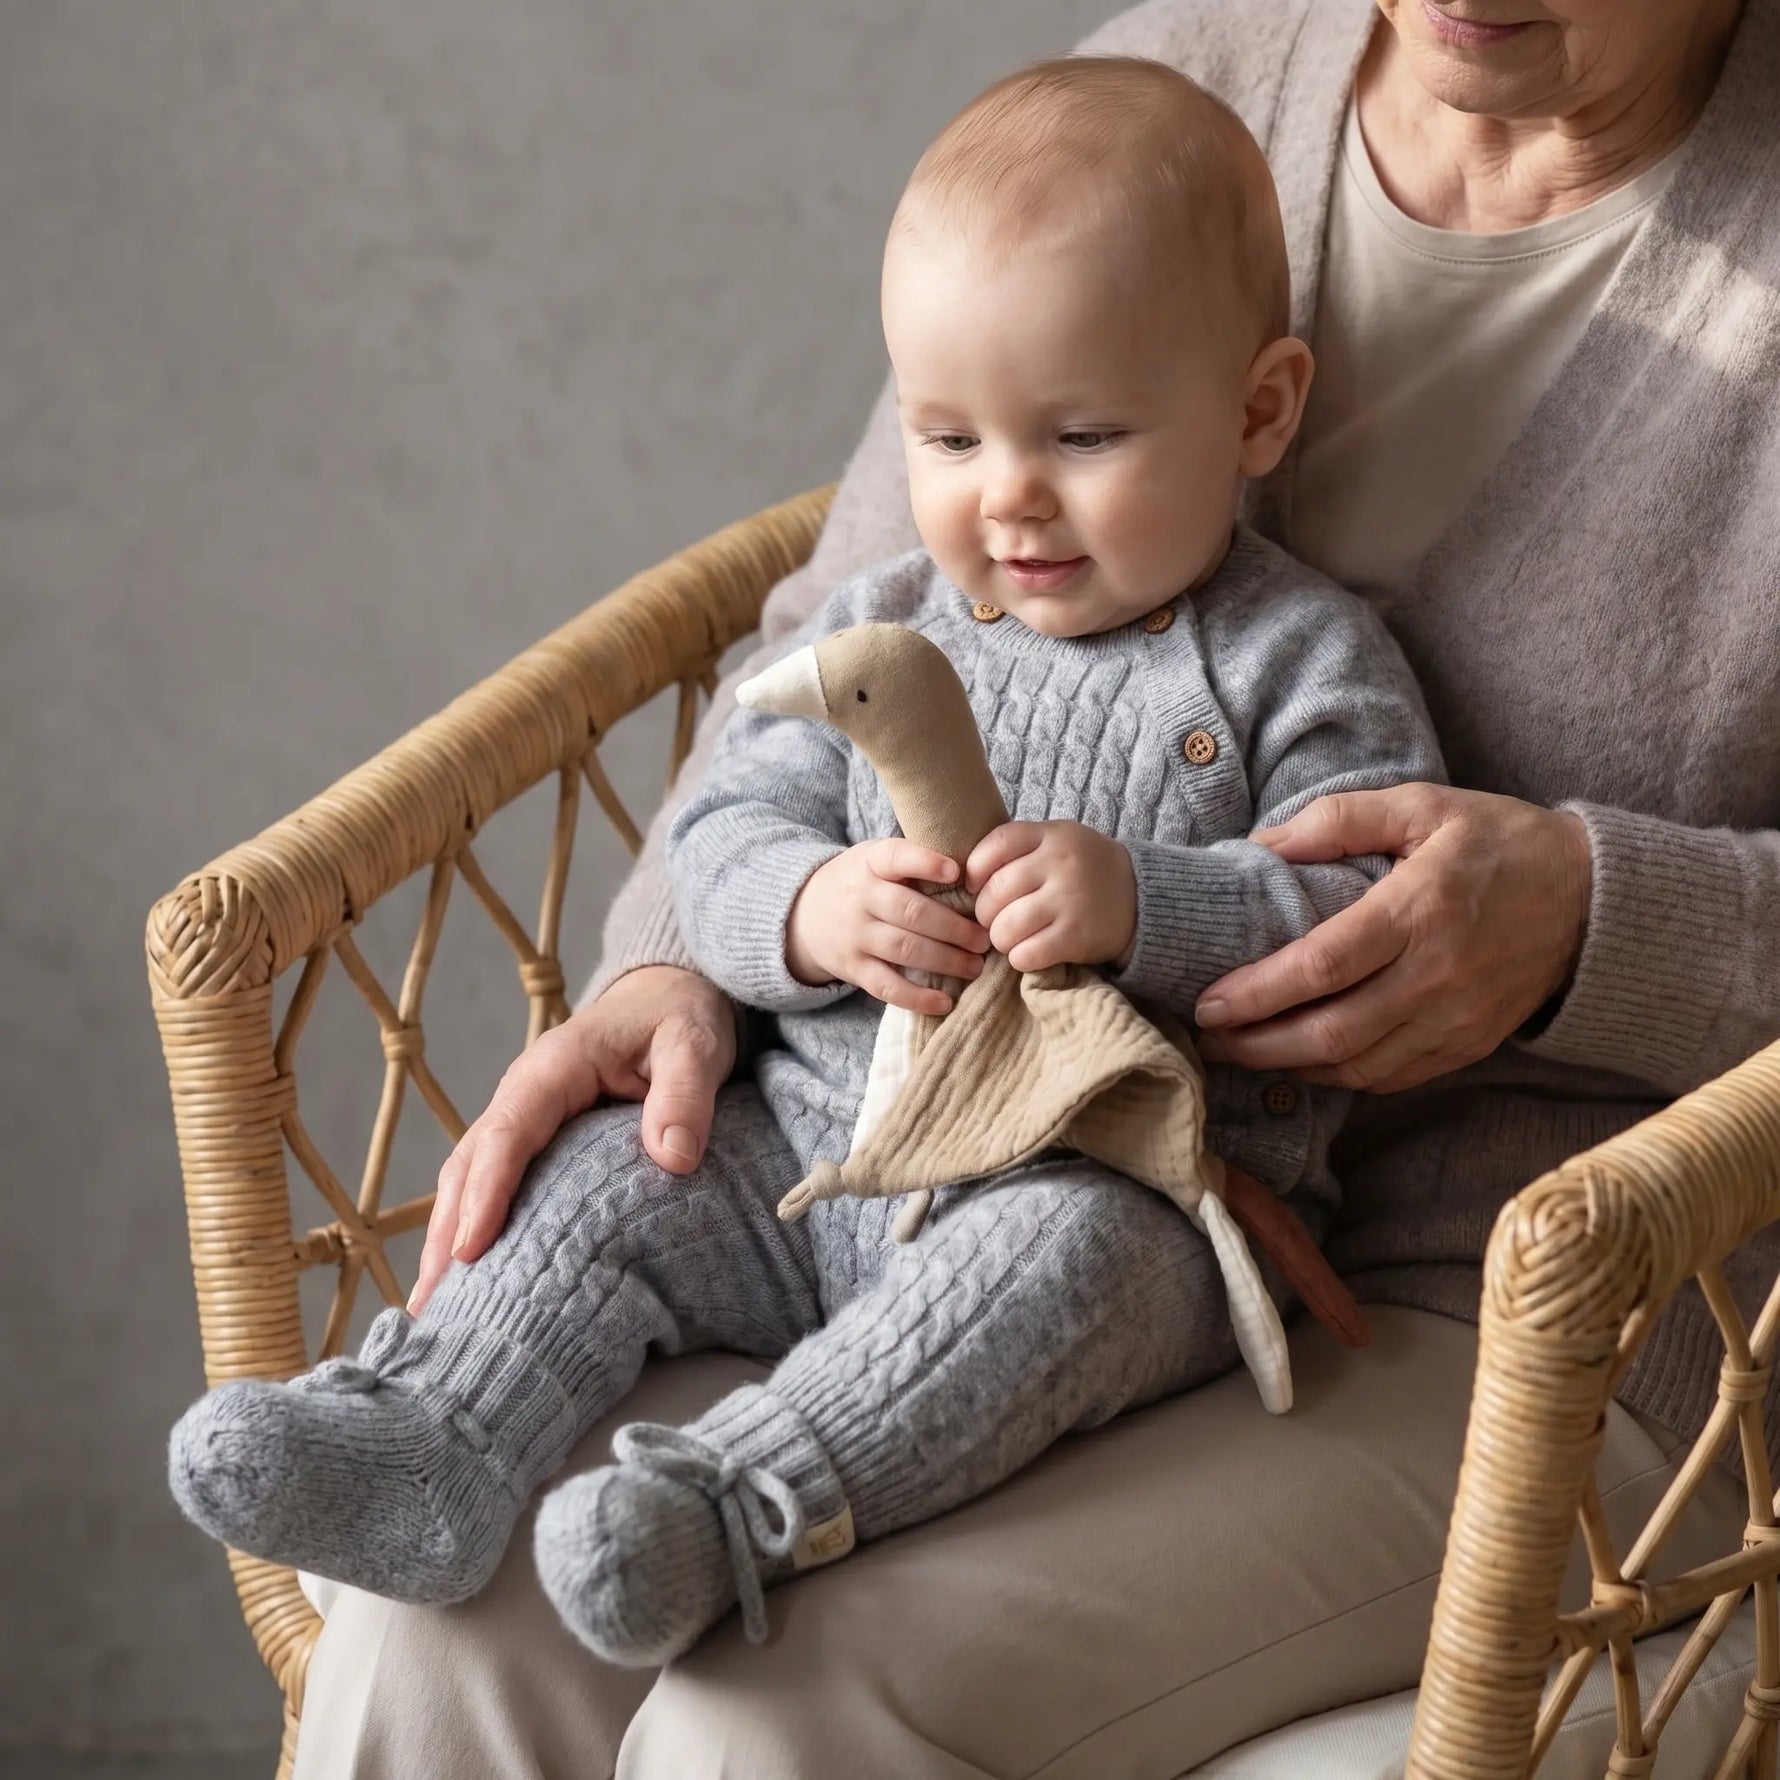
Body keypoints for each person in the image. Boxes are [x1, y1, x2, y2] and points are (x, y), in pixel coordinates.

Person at [290, 0, 1780, 1773]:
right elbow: (834, 654)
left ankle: (765, 1487)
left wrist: (1598, 920)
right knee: (442, 1629)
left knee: (777, 1713)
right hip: (900, 1152)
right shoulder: (1188, 82)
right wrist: (701, 956)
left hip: (1537, 1294)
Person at [168, 52, 1448, 1668]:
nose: (1008, 498)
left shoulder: (1299, 663)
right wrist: (805, 907)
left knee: (1057, 1272)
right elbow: (721, 827)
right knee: (623, 1170)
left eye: (1082, 434)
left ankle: (728, 1506)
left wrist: (1149, 905)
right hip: (805, 1152)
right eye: (949, 437)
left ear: (1259, 409)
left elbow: (1371, 913)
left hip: (1113, 1188)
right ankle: (435, 1432)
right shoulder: (881, 623)